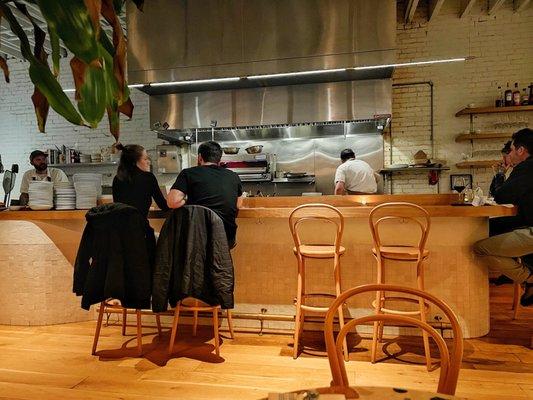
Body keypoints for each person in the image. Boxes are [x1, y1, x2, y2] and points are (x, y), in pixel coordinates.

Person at [473, 128, 533, 306]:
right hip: (526, 224)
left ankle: (528, 279)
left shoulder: (526, 167)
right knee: (492, 228)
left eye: (512, 150)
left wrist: (500, 175)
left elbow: (501, 196)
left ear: (521, 150)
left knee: (479, 248)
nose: (510, 154)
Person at [167, 141, 243, 248]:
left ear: (199, 157)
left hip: (197, 238)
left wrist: (187, 199)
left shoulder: (188, 173)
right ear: (219, 159)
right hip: (226, 237)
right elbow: (238, 205)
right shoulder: (233, 176)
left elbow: (172, 202)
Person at [112, 143, 169, 219]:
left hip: (119, 228)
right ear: (135, 162)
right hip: (140, 227)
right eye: (145, 159)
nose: (148, 162)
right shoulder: (148, 178)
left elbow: (117, 207)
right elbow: (163, 205)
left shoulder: (118, 178)